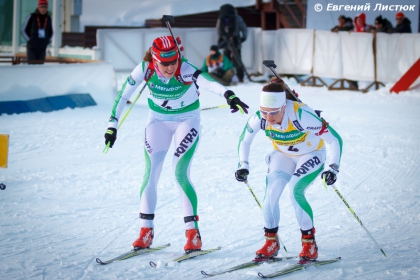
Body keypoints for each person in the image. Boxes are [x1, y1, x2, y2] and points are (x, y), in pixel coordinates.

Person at [104, 35, 249, 253]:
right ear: (155, 59)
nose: (171, 67)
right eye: (165, 63)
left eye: (174, 61)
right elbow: (123, 96)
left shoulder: (185, 68)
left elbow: (208, 82)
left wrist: (229, 95)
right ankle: (145, 231)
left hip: (186, 120)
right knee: (150, 171)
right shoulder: (145, 68)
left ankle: (193, 233)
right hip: (158, 120)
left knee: (180, 171)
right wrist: (112, 126)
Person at [235, 78, 343, 262]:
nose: (268, 118)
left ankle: (309, 245)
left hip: (311, 153)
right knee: (270, 194)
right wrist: (243, 164)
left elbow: (335, 139)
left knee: (295, 191)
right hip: (283, 155)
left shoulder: (302, 115)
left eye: (274, 113)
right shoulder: (260, 118)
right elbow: (244, 140)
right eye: (264, 112)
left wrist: (332, 168)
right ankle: (271, 242)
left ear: (284, 106)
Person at [216, 4, 247, 83]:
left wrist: (220, 41)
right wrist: (243, 37)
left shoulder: (220, 19)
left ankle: (228, 77)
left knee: (227, 60)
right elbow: (244, 28)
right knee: (237, 60)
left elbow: (218, 31)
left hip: (227, 42)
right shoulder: (237, 18)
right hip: (235, 42)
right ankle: (240, 78)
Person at [21, 0, 53, 64]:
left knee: (40, 68)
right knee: (32, 66)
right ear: (38, 7)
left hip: (42, 48)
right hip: (32, 48)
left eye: (45, 7)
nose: (43, 9)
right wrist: (30, 40)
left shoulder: (48, 18)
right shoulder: (31, 16)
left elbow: (51, 32)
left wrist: (47, 41)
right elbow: (23, 30)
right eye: (42, 7)